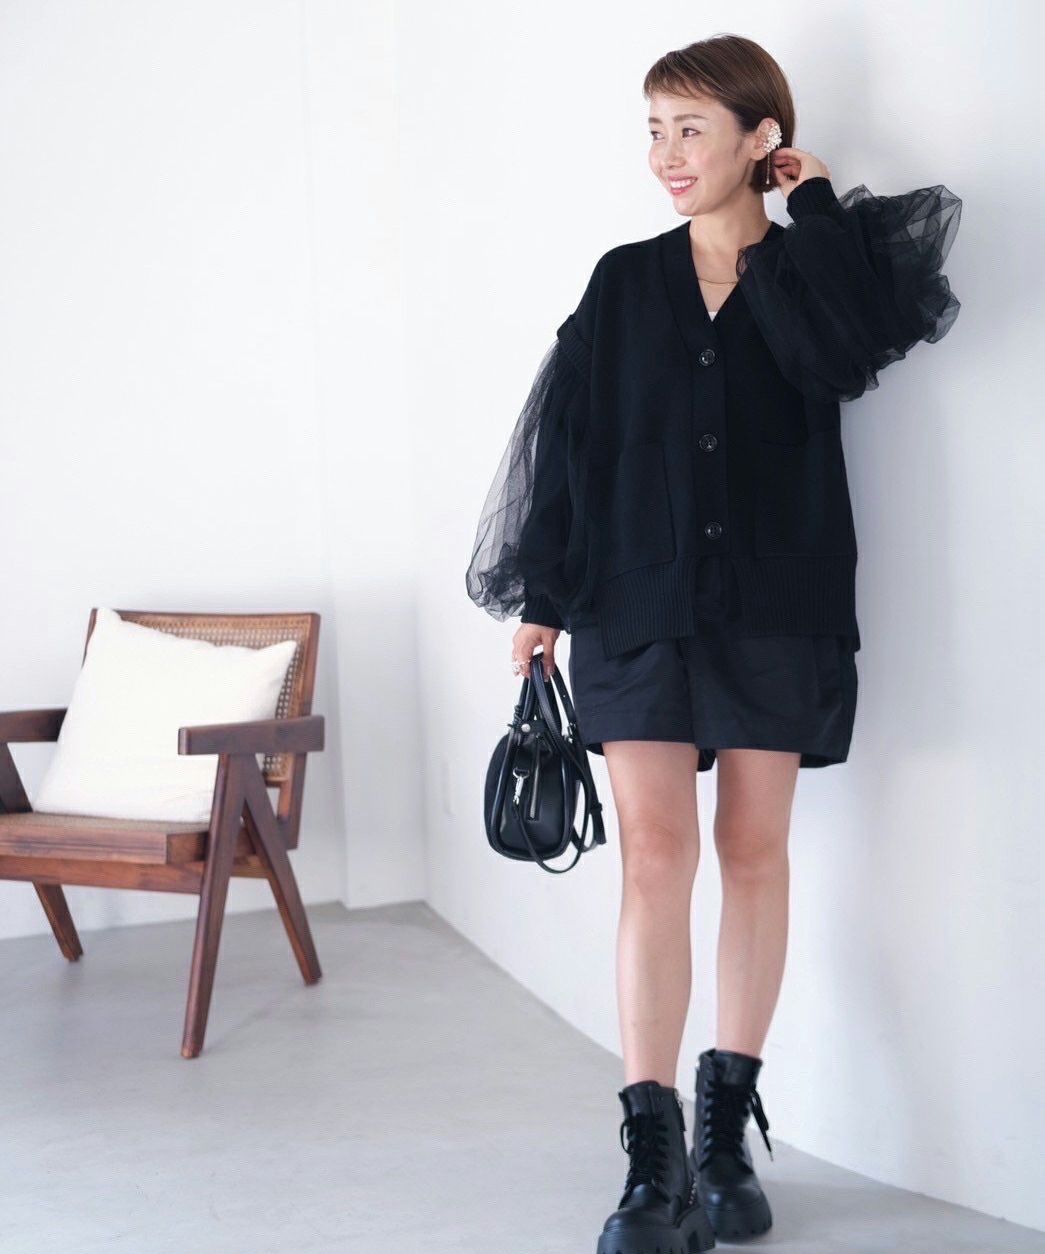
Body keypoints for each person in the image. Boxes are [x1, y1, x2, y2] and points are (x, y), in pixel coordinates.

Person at [465, 34, 961, 1254]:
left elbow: (848, 353)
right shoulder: (622, 282)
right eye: (653, 129)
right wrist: (542, 595)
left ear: (759, 136)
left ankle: (724, 1133)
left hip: (775, 600)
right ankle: (652, 1165)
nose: (666, 155)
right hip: (633, 602)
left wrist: (814, 205)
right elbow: (570, 443)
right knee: (651, 859)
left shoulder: (809, 274)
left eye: (691, 128)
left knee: (752, 851)